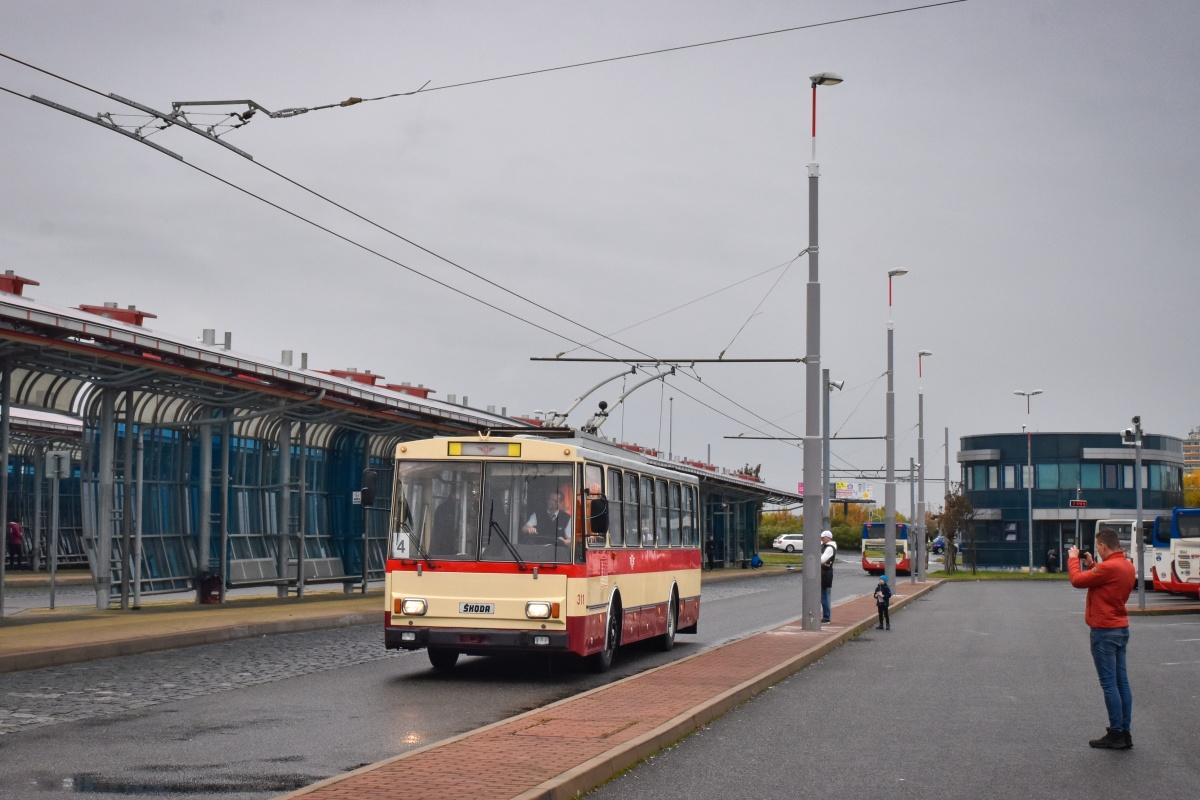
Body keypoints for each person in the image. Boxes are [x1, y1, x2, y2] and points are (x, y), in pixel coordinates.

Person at [1068, 528, 1136, 750]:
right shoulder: (1126, 565)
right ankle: (1124, 730)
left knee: (1109, 684)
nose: (1096, 550)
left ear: (1104, 546)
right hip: (1120, 628)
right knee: (1121, 682)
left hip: (1104, 631)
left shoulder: (1109, 567)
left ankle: (1116, 732)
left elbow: (1077, 581)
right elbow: (1105, 581)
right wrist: (1091, 564)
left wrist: (1072, 560)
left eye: (1097, 547)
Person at [819, 530, 837, 623]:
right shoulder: (825, 546)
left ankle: (826, 617)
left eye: (823, 537)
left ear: (829, 537)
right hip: (824, 572)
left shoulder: (830, 548)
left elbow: (821, 560)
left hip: (825, 573)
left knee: (823, 596)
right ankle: (825, 616)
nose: (821, 539)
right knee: (823, 595)